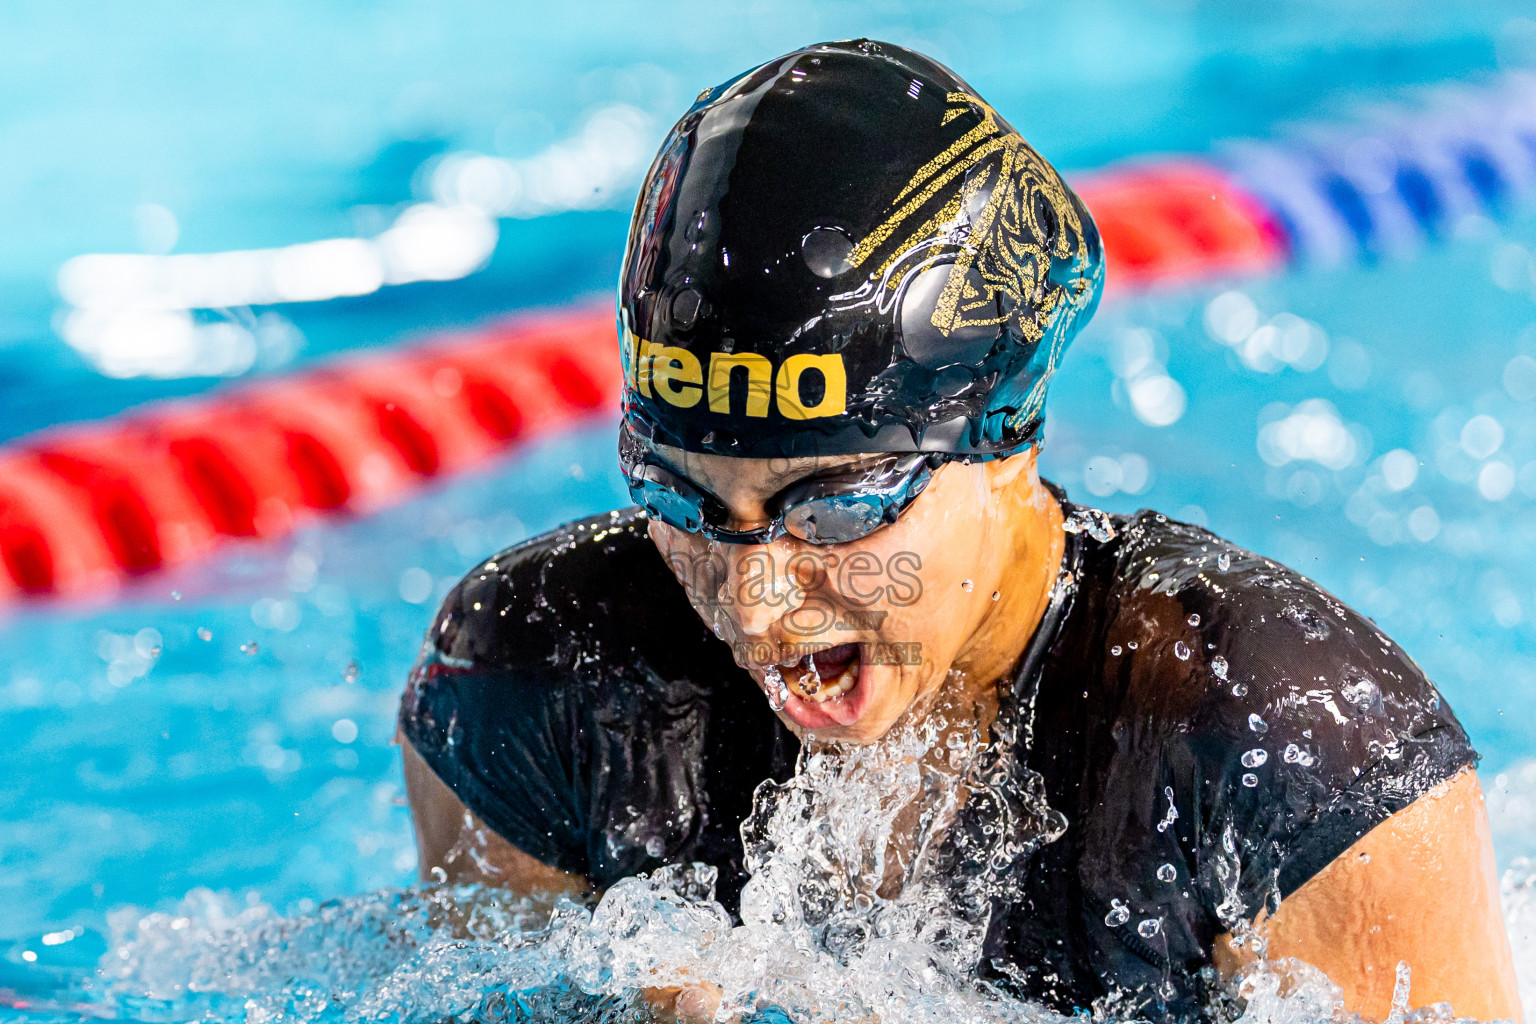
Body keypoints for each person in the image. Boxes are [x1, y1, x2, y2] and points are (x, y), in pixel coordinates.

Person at [397, 40, 1520, 1022]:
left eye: (833, 508)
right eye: (686, 503)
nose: (752, 602)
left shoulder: (1286, 748)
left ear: (1005, 439)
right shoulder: (542, 678)